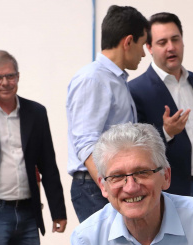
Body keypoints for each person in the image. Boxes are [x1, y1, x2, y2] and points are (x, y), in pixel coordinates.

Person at [0, 51, 67, 245]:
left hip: (29, 212)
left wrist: (58, 211)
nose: (5, 82)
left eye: (10, 76)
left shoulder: (36, 113)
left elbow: (48, 164)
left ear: (18, 76)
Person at [129, 12, 193, 205]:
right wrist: (166, 132)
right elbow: (137, 147)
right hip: (171, 192)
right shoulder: (137, 90)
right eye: (162, 42)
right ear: (149, 47)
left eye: (175, 39)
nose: (171, 47)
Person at [66, 5, 149, 223]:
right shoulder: (93, 79)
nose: (143, 53)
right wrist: (109, 188)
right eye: (142, 45)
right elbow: (85, 143)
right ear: (128, 42)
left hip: (109, 183)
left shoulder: (116, 80)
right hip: (96, 187)